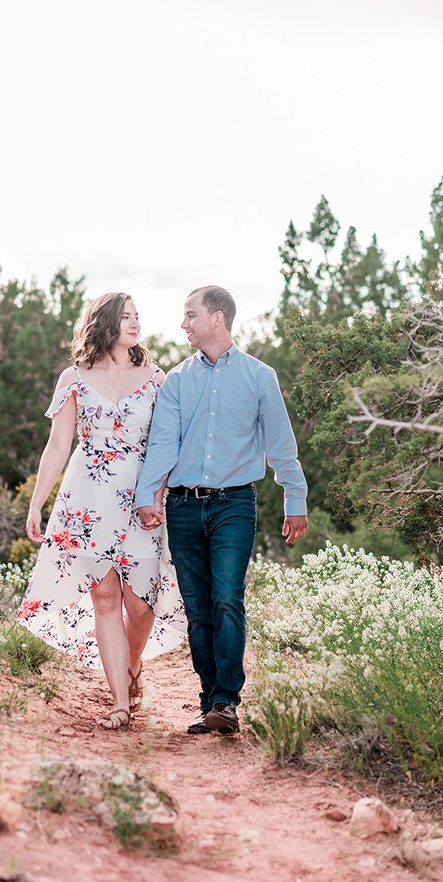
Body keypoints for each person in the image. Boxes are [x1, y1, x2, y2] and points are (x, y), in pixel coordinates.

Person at [135, 285, 308, 736]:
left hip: (235, 502)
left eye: (190, 315)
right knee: (198, 609)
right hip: (183, 507)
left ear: (218, 318)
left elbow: (281, 444)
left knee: (227, 598)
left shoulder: (259, 377)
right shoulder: (175, 381)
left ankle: (226, 702)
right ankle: (209, 697)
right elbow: (162, 445)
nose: (183, 324)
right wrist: (147, 496)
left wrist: (295, 498)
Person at [17, 291, 186, 730]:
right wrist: (38, 502)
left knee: (141, 604)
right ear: (105, 323)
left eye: (137, 316)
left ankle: (132, 666)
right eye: (126, 316)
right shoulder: (73, 378)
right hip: (87, 498)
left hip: (142, 498)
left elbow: (168, 445)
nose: (135, 323)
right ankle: (119, 702)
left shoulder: (155, 378)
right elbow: (58, 446)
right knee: (106, 598)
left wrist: (161, 493)